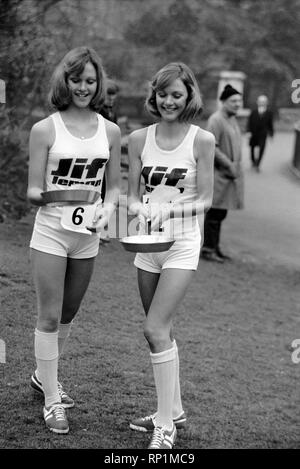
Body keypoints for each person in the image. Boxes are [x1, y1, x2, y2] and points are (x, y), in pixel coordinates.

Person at [27, 46, 121, 434]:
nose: (82, 87)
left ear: (98, 83)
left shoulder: (110, 131)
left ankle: (41, 375)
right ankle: (52, 400)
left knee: (67, 315)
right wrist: (65, 196)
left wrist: (107, 210)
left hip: (87, 237)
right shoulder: (45, 129)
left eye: (89, 80)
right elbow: (33, 190)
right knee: (49, 316)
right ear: (63, 81)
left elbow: (113, 188)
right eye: (75, 79)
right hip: (51, 231)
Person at [127, 62, 215, 449]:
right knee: (161, 332)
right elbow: (131, 193)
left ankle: (165, 425)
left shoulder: (202, 140)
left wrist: (171, 211)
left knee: (153, 329)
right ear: (154, 94)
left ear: (189, 96)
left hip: (181, 244)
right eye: (163, 93)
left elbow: (207, 200)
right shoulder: (137, 138)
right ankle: (172, 410)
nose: (168, 101)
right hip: (147, 246)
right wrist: (138, 208)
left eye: (176, 94)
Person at [201, 84, 244, 263]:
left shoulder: (232, 119)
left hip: (229, 176)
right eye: (233, 101)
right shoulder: (216, 120)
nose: (237, 104)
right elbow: (212, 146)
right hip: (219, 174)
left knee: (221, 213)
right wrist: (228, 164)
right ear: (224, 102)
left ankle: (215, 247)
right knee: (214, 213)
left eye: (239, 101)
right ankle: (208, 249)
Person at [100, 79, 120, 243]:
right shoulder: (99, 112)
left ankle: (104, 227)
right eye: (109, 95)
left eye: (114, 96)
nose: (111, 99)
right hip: (100, 156)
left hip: (110, 157)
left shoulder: (112, 112)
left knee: (108, 191)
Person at [247, 94, 274, 172]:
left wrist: (271, 134)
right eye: (260, 101)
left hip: (263, 134)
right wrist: (248, 131)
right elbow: (249, 123)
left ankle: (258, 164)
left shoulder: (269, 113)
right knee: (252, 148)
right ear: (257, 102)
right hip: (253, 133)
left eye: (264, 101)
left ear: (267, 103)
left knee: (262, 148)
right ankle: (253, 161)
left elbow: (270, 125)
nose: (262, 103)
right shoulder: (253, 112)